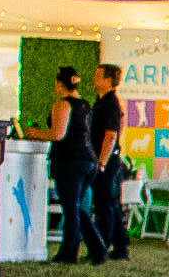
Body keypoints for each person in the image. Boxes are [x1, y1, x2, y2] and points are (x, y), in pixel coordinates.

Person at [17, 66, 106, 265]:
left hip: (71, 162)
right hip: (89, 161)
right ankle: (98, 248)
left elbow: (58, 134)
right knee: (77, 208)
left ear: (60, 84)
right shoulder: (86, 105)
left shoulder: (63, 105)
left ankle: (68, 253)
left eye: (56, 83)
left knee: (71, 209)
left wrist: (33, 133)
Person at [89, 63, 129, 261]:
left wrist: (101, 163)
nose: (94, 78)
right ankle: (120, 248)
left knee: (105, 204)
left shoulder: (110, 103)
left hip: (106, 160)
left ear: (108, 80)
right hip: (106, 159)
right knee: (111, 204)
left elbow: (111, 135)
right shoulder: (102, 101)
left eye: (98, 75)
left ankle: (102, 246)